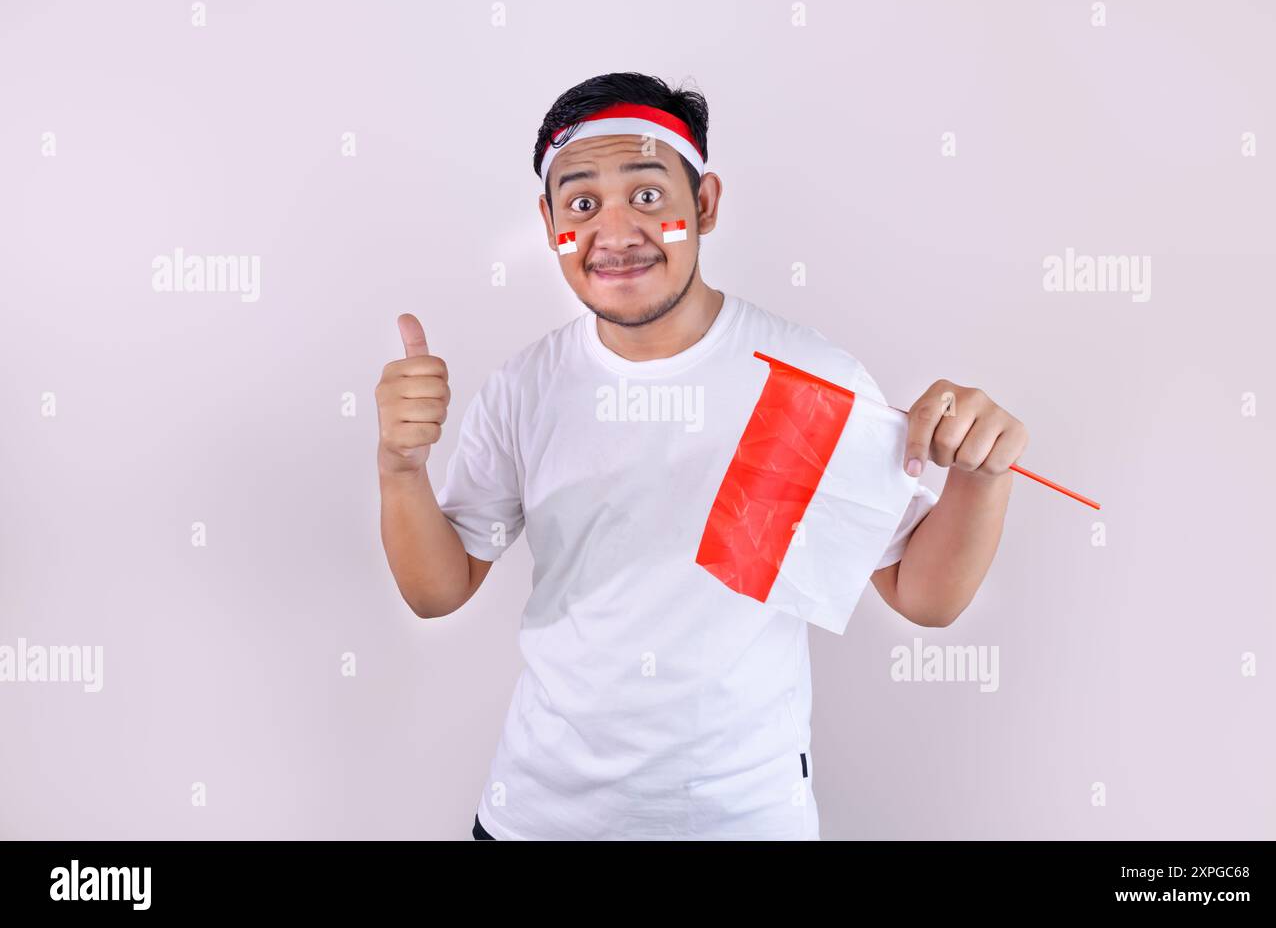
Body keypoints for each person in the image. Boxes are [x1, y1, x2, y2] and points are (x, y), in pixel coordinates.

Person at [374, 72, 1028, 840]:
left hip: (742, 821)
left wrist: (983, 482)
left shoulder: (804, 380)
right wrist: (400, 470)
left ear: (705, 204)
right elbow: (438, 591)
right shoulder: (526, 385)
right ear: (549, 221)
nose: (614, 232)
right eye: (581, 204)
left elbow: (923, 597)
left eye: (647, 196)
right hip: (537, 816)